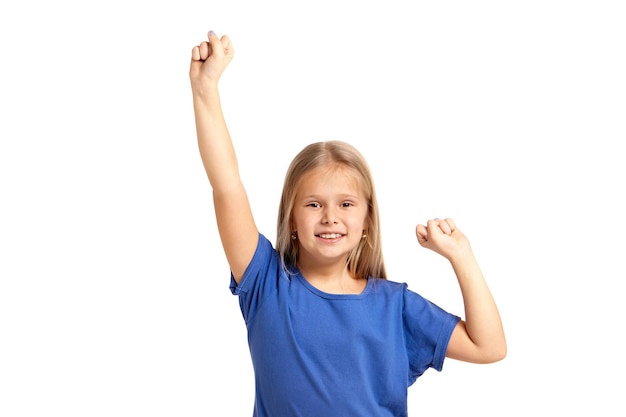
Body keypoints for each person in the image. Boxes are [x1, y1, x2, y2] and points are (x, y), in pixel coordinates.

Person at [189, 30, 506, 417]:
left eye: (345, 204)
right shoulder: (266, 283)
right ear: (291, 218)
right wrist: (206, 89)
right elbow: (227, 185)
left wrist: (462, 255)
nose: (330, 217)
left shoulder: (394, 305)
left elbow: (489, 347)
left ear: (367, 221)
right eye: (313, 204)